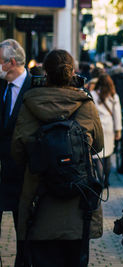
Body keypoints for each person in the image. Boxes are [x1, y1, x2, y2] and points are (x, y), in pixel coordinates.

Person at [11, 49, 104, 266]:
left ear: (45, 73)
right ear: (72, 73)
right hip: (78, 204)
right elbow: (98, 145)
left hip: (39, 202)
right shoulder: (85, 104)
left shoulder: (29, 102)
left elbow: (17, 151)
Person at [0, 39, 32, 267]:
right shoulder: (1, 86)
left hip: (23, 174)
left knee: (24, 227)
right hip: (0, 171)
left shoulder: (35, 88)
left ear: (11, 62)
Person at [92, 73, 122, 188]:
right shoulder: (114, 96)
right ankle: (106, 181)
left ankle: (99, 181)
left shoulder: (94, 94)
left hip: (98, 127)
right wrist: (118, 130)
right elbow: (117, 114)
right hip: (109, 127)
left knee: (98, 156)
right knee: (108, 155)